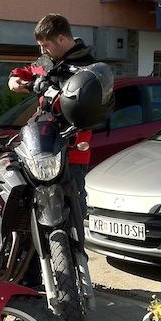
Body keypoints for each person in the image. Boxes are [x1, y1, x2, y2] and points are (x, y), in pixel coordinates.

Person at [8, 13, 96, 208]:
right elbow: (28, 71)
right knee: (38, 204)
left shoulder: (87, 68)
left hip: (71, 150)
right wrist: (14, 78)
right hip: (41, 146)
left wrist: (43, 85)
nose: (42, 50)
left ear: (61, 39)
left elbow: (71, 95)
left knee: (72, 206)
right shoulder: (48, 60)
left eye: (45, 45)